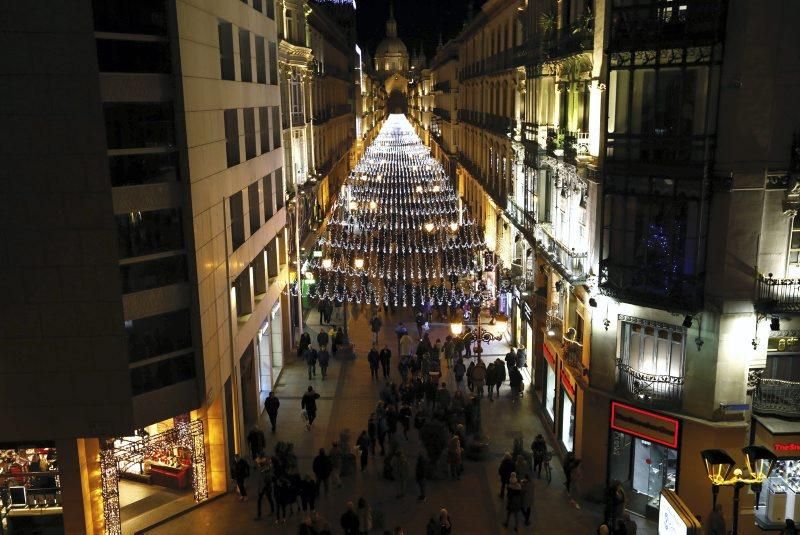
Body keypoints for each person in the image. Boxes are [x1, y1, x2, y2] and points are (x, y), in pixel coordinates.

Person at [254, 455, 274, 520]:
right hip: (264, 487)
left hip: (266, 487)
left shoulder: (265, 469)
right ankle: (260, 514)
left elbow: (266, 479)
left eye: (258, 463)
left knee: (268, 499)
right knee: (265, 499)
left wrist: (262, 488)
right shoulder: (263, 469)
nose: (258, 464)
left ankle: (260, 515)